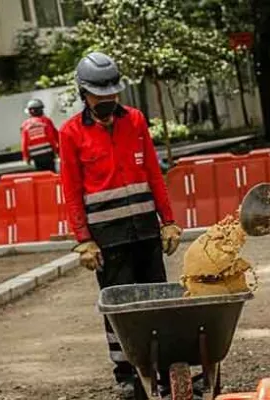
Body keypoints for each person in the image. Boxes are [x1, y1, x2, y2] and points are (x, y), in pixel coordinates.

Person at [58, 52, 183, 398]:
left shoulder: (136, 120)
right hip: (108, 239)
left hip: (145, 230)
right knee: (120, 306)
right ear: (84, 92)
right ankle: (127, 374)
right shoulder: (70, 134)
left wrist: (168, 221)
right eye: (101, 94)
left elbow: (154, 175)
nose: (109, 100)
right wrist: (84, 239)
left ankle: (164, 368)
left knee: (157, 298)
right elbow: (71, 190)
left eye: (113, 92)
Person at [20, 99, 59, 172]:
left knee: (42, 174)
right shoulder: (46, 121)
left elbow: (24, 142)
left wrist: (26, 157)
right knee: (52, 173)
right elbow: (53, 136)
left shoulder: (25, 125)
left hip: (36, 156)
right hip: (48, 153)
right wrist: (56, 151)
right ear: (41, 110)